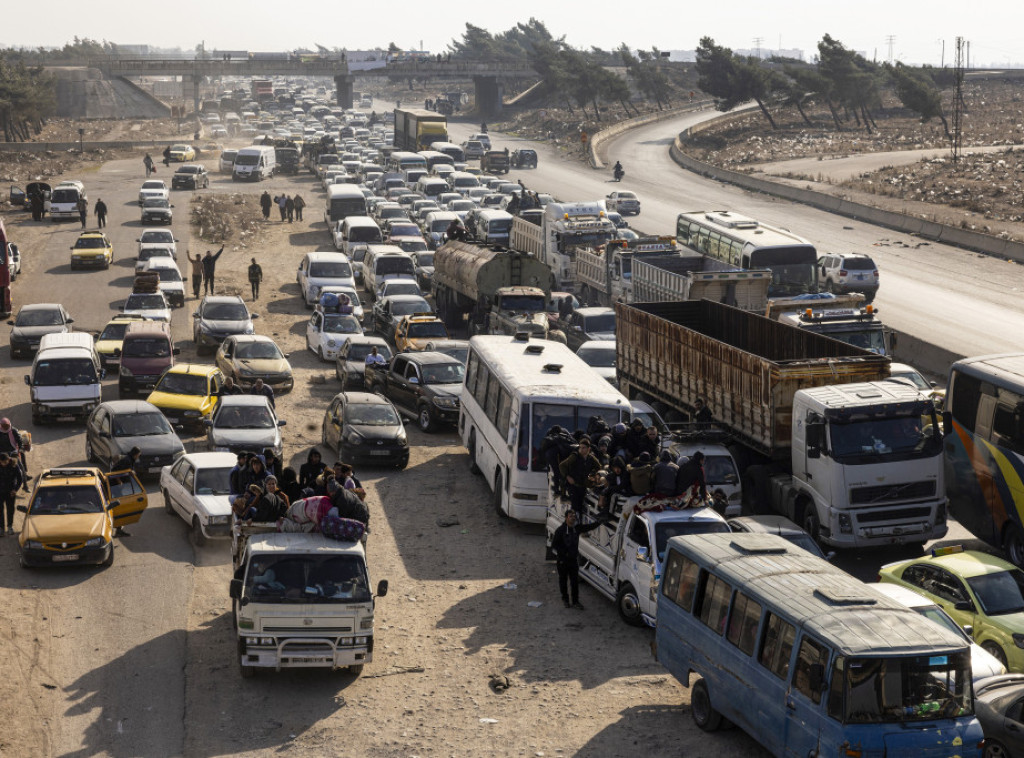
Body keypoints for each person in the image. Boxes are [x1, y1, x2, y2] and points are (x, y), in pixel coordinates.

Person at [551, 509, 605, 609]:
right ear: (566, 518)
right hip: (563, 561)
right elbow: (554, 545)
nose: (573, 517)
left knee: (574, 582)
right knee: (563, 581)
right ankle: (565, 600)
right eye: (571, 516)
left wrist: (599, 522)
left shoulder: (577, 528)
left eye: (574, 516)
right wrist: (564, 554)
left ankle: (575, 602)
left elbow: (589, 527)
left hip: (573, 561)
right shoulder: (560, 530)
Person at [559, 436, 602, 515]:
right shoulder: (575, 456)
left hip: (583, 485)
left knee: (580, 507)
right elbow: (562, 466)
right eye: (580, 447)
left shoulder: (591, 458)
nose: (581, 450)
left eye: (584, 448)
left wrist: (593, 474)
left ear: (588, 449)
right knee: (575, 507)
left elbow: (599, 467)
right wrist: (568, 477)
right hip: (573, 485)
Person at [0, 418, 30, 490]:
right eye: (3, 425)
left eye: (6, 425)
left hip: (13, 452)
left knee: (20, 468)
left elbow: (20, 442)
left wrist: (19, 449)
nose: (5, 427)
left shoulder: (13, 431)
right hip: (2, 453)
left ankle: (25, 486)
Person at [0, 452, 26, 536]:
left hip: (11, 491)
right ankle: (1, 529)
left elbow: (20, 479)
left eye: (5, 462)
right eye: (2, 462)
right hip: (0, 491)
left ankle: (10, 526)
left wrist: (15, 490)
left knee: (10, 509)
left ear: (8, 460)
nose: (4, 464)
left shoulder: (14, 465)